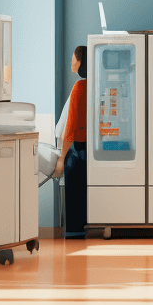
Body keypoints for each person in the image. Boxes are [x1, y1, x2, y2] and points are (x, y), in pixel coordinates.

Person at [55, 45, 89, 238]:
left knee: (73, 180)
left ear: (80, 62)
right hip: (92, 148)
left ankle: (74, 231)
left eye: (73, 58)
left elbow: (71, 126)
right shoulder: (96, 84)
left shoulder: (80, 87)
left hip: (79, 148)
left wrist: (61, 158)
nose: (71, 61)